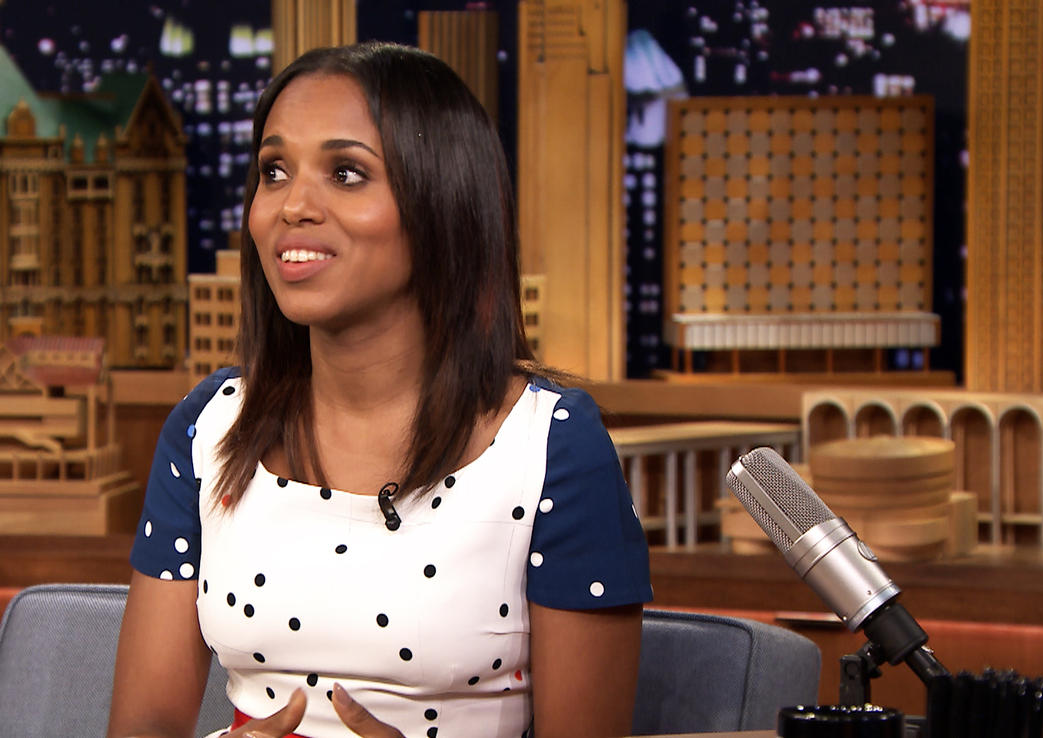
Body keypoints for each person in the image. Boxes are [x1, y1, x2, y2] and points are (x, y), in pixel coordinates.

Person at [108, 42, 652, 738]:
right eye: (273, 171)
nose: (292, 206)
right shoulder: (208, 427)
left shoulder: (552, 448)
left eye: (346, 173)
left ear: (440, 202)